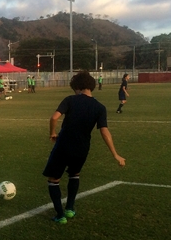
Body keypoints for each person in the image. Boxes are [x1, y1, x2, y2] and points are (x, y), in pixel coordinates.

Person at [43, 71, 125, 224]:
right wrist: (115, 154)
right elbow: (104, 131)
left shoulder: (70, 100)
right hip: (82, 148)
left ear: (78, 87)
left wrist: (53, 132)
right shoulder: (100, 107)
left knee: (53, 179)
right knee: (74, 174)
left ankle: (60, 215)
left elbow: (54, 117)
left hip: (64, 145)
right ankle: (70, 209)